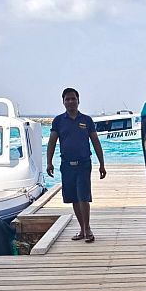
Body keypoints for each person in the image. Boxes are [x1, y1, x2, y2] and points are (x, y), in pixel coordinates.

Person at [46, 88, 106, 242]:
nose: (71, 101)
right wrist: (49, 162)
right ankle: (81, 229)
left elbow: (95, 142)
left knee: (83, 197)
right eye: (68, 99)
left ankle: (88, 229)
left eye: (73, 99)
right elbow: (52, 142)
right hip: (67, 165)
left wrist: (102, 163)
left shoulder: (86, 120)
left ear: (78, 101)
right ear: (63, 102)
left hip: (84, 164)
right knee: (73, 198)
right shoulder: (58, 121)